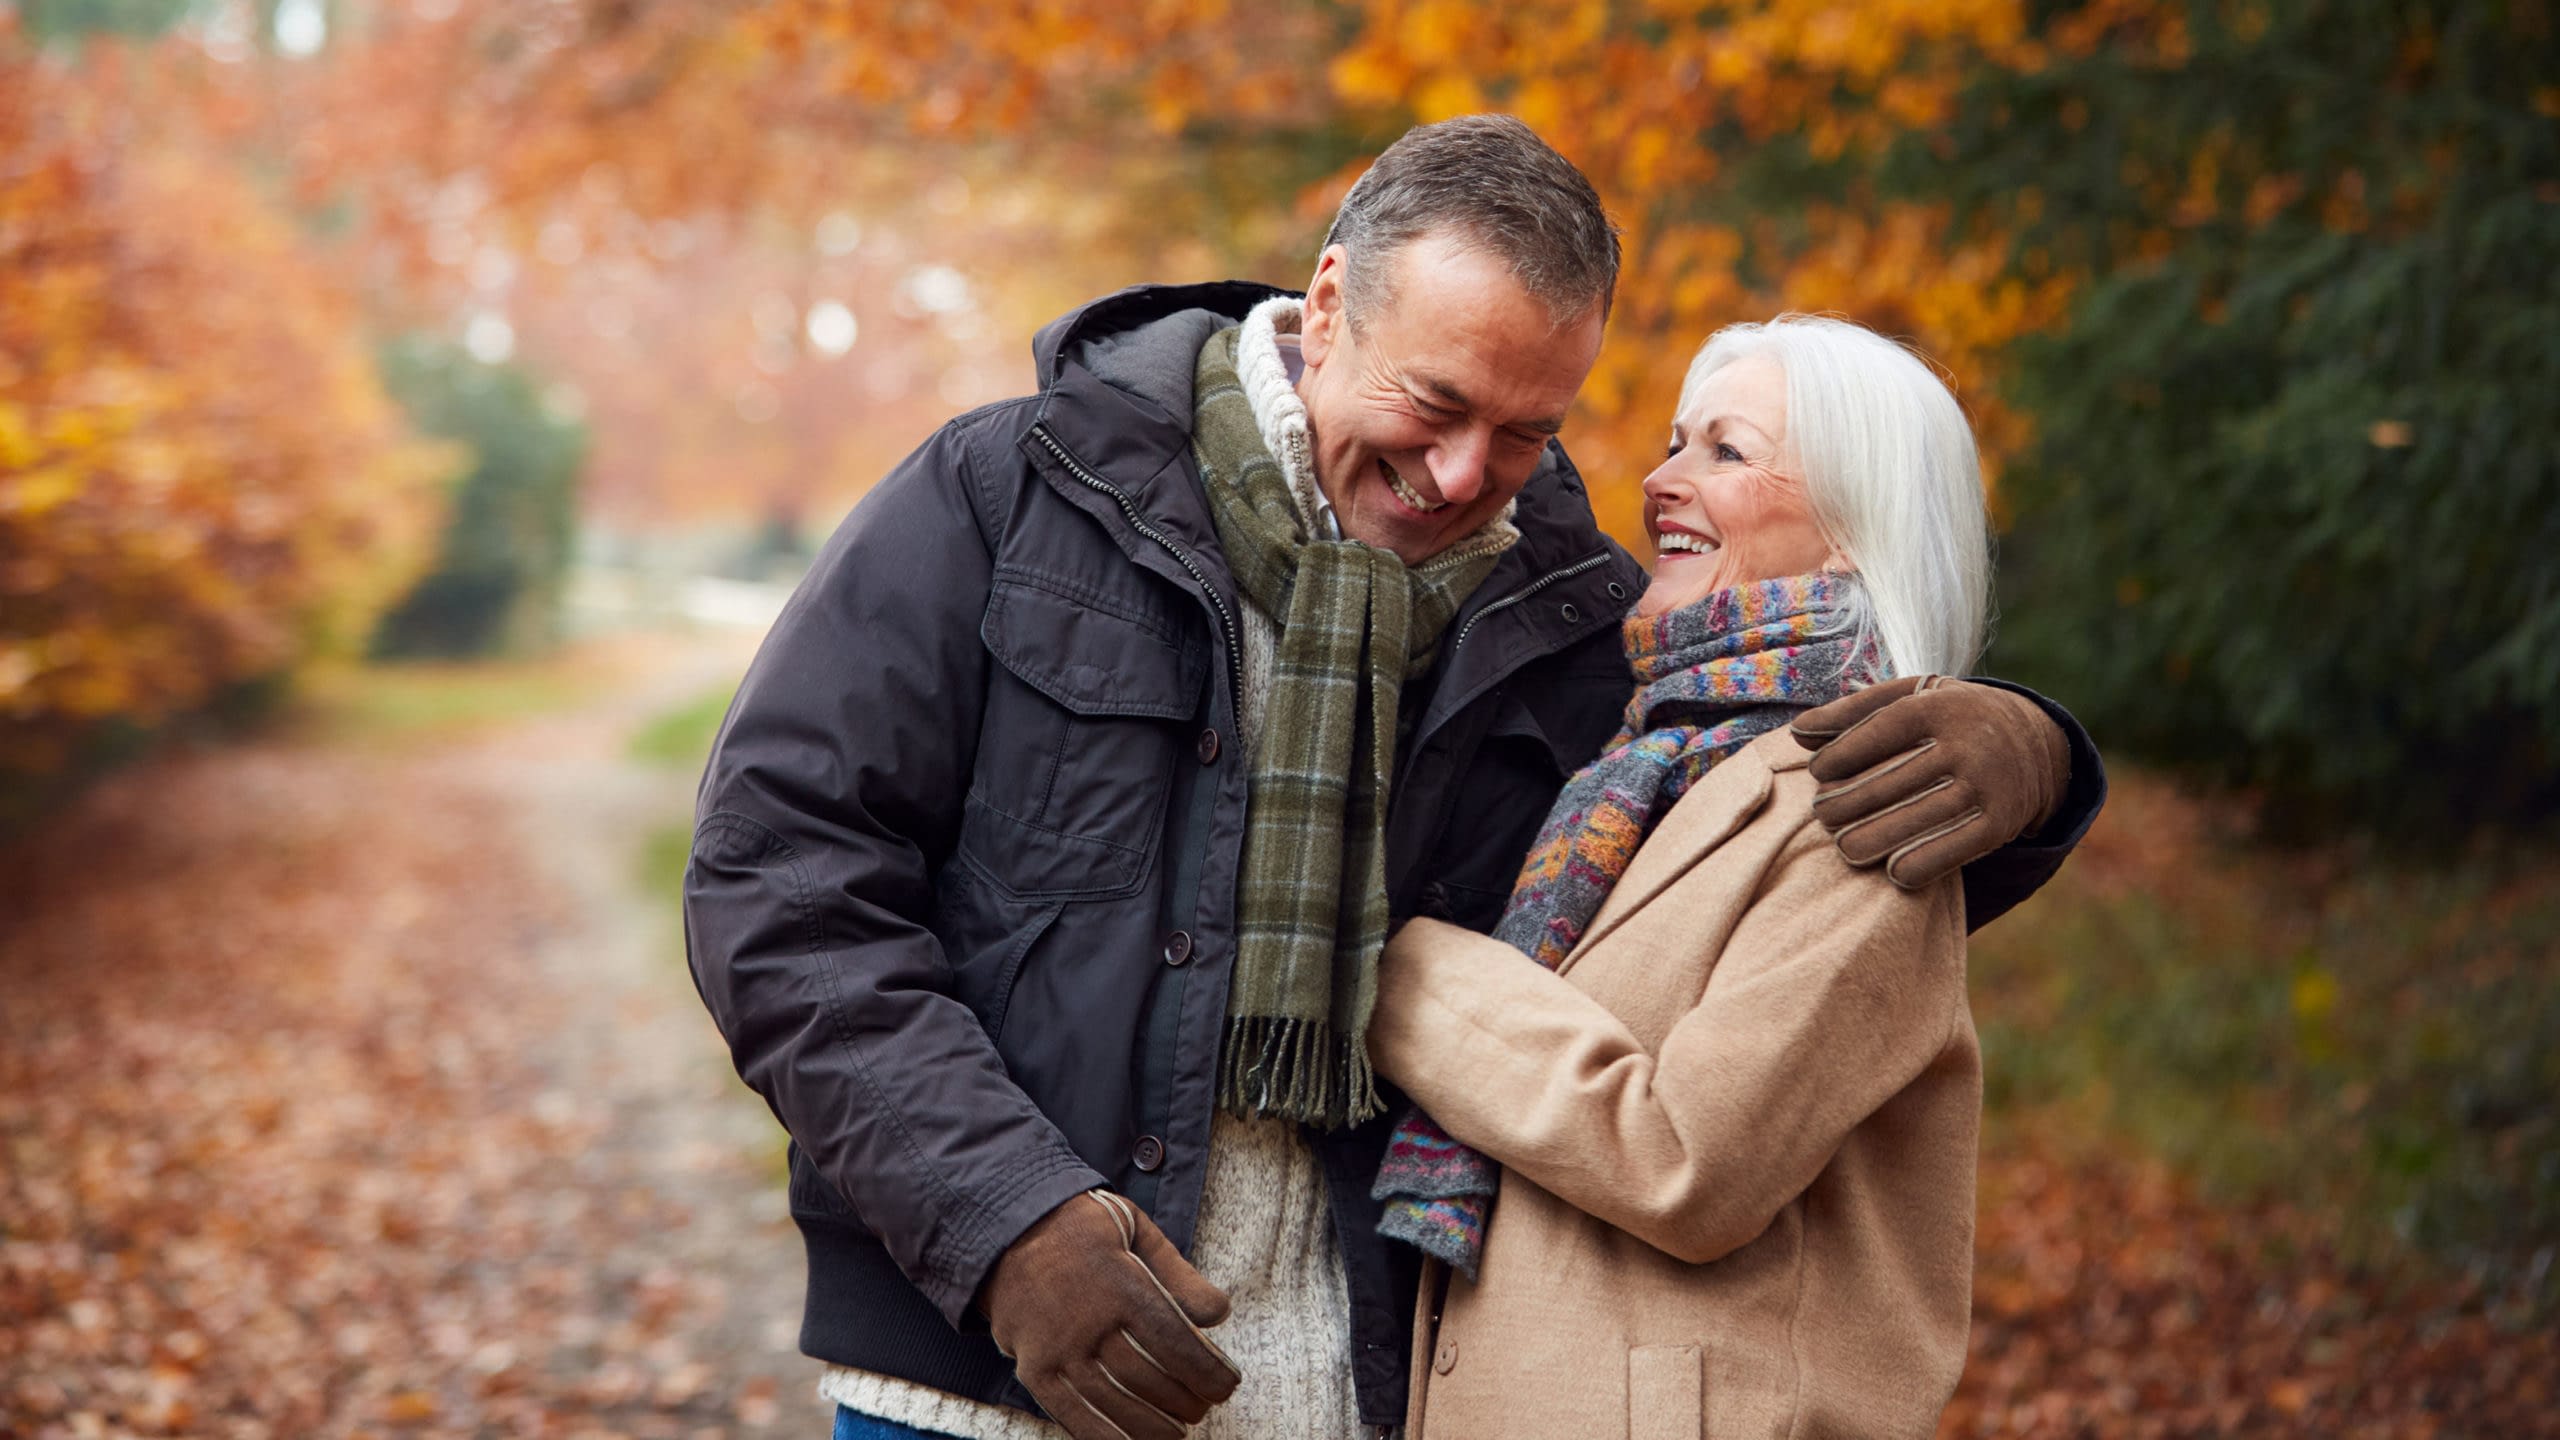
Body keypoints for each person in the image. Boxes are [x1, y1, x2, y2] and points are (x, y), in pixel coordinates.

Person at [683, 115, 2105, 1440]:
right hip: (987, 1382)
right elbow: (783, 884)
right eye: (1436, 401)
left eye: (1530, 431)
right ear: (1327, 307)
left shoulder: (1567, 623)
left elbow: (1769, 861)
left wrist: (2031, 760)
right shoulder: (1014, 497)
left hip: (1357, 1394)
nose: (1460, 472)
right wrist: (1005, 1222)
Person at [1366, 315, 2011, 1438]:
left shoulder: (1861, 804)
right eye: (1674, 444)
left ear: (1856, 527)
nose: (1662, 480)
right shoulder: (1637, 771)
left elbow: (1687, 1161)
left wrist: (1389, 966)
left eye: (1726, 450)